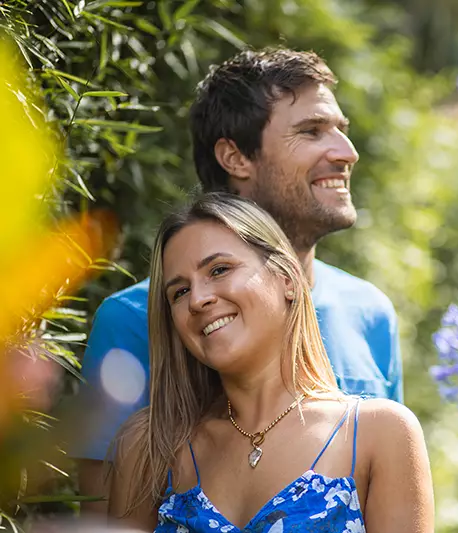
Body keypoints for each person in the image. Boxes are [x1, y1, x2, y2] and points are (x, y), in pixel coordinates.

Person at [75, 48, 403, 514]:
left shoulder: (369, 312)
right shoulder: (131, 322)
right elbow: (102, 516)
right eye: (311, 131)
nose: (345, 153)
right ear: (235, 156)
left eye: (340, 131)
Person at [108, 193, 434, 532]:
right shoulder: (149, 446)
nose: (199, 299)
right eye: (179, 292)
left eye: (219, 270)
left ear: (288, 280)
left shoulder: (379, 433)